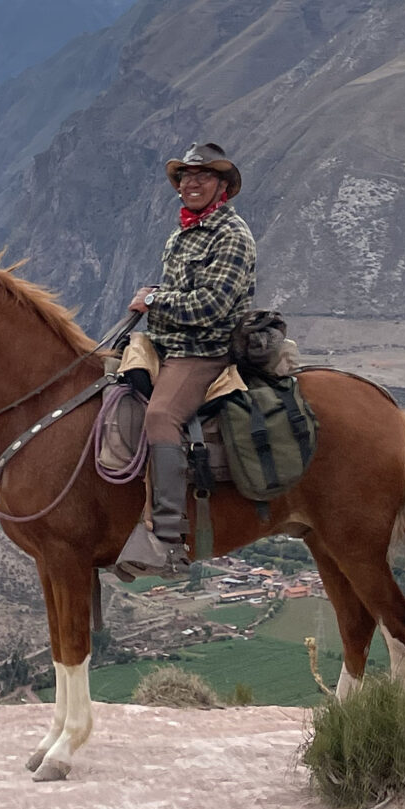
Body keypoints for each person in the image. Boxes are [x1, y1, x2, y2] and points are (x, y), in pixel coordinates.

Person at [126, 142, 256, 572]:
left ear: (222, 186)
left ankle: (166, 536)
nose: (192, 183)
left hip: (203, 351)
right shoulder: (182, 232)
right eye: (185, 176)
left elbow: (212, 305)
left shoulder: (232, 236)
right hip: (167, 344)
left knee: (160, 417)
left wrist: (155, 300)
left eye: (203, 176)